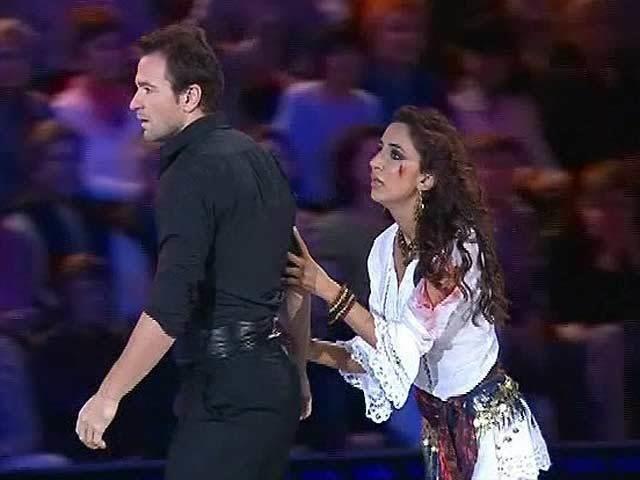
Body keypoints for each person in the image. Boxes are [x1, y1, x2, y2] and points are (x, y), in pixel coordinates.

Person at [74, 24, 310, 480]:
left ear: (189, 97)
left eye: (147, 89)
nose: (134, 102)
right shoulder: (260, 157)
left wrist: (108, 395)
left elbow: (171, 303)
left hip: (226, 391)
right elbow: (298, 275)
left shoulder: (190, 171)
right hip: (270, 385)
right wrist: (297, 371)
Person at [285, 106, 551, 479]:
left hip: (487, 432)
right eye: (380, 150)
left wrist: (326, 287)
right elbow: (383, 358)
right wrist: (305, 348)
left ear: (426, 178)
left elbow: (403, 344)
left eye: (395, 154)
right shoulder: (384, 248)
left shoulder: (456, 247)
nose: (375, 162)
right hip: (437, 434)